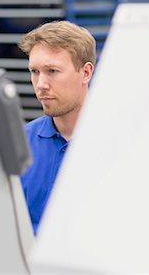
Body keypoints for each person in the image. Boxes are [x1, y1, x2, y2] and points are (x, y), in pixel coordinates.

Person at [18, 21, 96, 234]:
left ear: (86, 73)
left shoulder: (118, 141)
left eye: (52, 71)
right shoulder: (20, 145)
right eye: (35, 71)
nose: (41, 84)